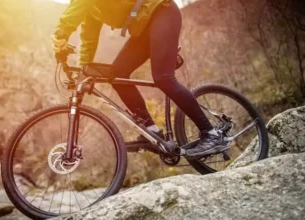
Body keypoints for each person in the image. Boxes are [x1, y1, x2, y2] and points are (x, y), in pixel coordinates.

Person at [51, 0, 229, 157]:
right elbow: (88, 37)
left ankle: (211, 134)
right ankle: (152, 132)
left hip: (162, 12)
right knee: (118, 76)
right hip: (143, 26)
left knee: (163, 78)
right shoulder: (91, 8)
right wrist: (84, 68)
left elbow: (72, 14)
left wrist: (60, 34)